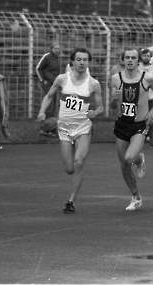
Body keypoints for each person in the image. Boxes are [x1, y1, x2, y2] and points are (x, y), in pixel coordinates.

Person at [37, 47, 104, 213]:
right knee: (69, 168)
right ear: (73, 62)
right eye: (79, 59)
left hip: (83, 127)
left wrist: (95, 112)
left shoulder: (93, 83)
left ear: (88, 62)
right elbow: (49, 95)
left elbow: (101, 107)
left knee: (79, 161)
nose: (82, 63)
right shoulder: (62, 79)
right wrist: (42, 111)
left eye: (85, 60)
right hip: (65, 128)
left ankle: (71, 201)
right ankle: (75, 173)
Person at [111, 48, 153, 211]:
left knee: (129, 158)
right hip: (122, 124)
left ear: (138, 61)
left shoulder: (146, 78)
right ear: (123, 59)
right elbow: (113, 106)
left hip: (140, 125)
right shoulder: (115, 78)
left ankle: (139, 159)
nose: (130, 60)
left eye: (133, 58)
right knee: (124, 165)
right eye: (127, 57)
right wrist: (115, 98)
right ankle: (136, 197)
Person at [139, 48, 153, 148]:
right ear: (141, 56)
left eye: (148, 56)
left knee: (151, 117)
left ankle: (152, 140)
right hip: (140, 97)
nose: (146, 57)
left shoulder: (152, 67)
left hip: (151, 96)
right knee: (140, 118)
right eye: (145, 56)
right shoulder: (138, 66)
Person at [36, 43, 61, 119]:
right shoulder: (47, 57)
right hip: (47, 83)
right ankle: (45, 119)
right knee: (48, 101)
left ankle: (52, 120)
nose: (57, 50)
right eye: (55, 49)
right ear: (51, 49)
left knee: (55, 102)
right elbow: (38, 68)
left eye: (58, 49)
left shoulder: (56, 58)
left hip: (55, 83)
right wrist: (42, 80)